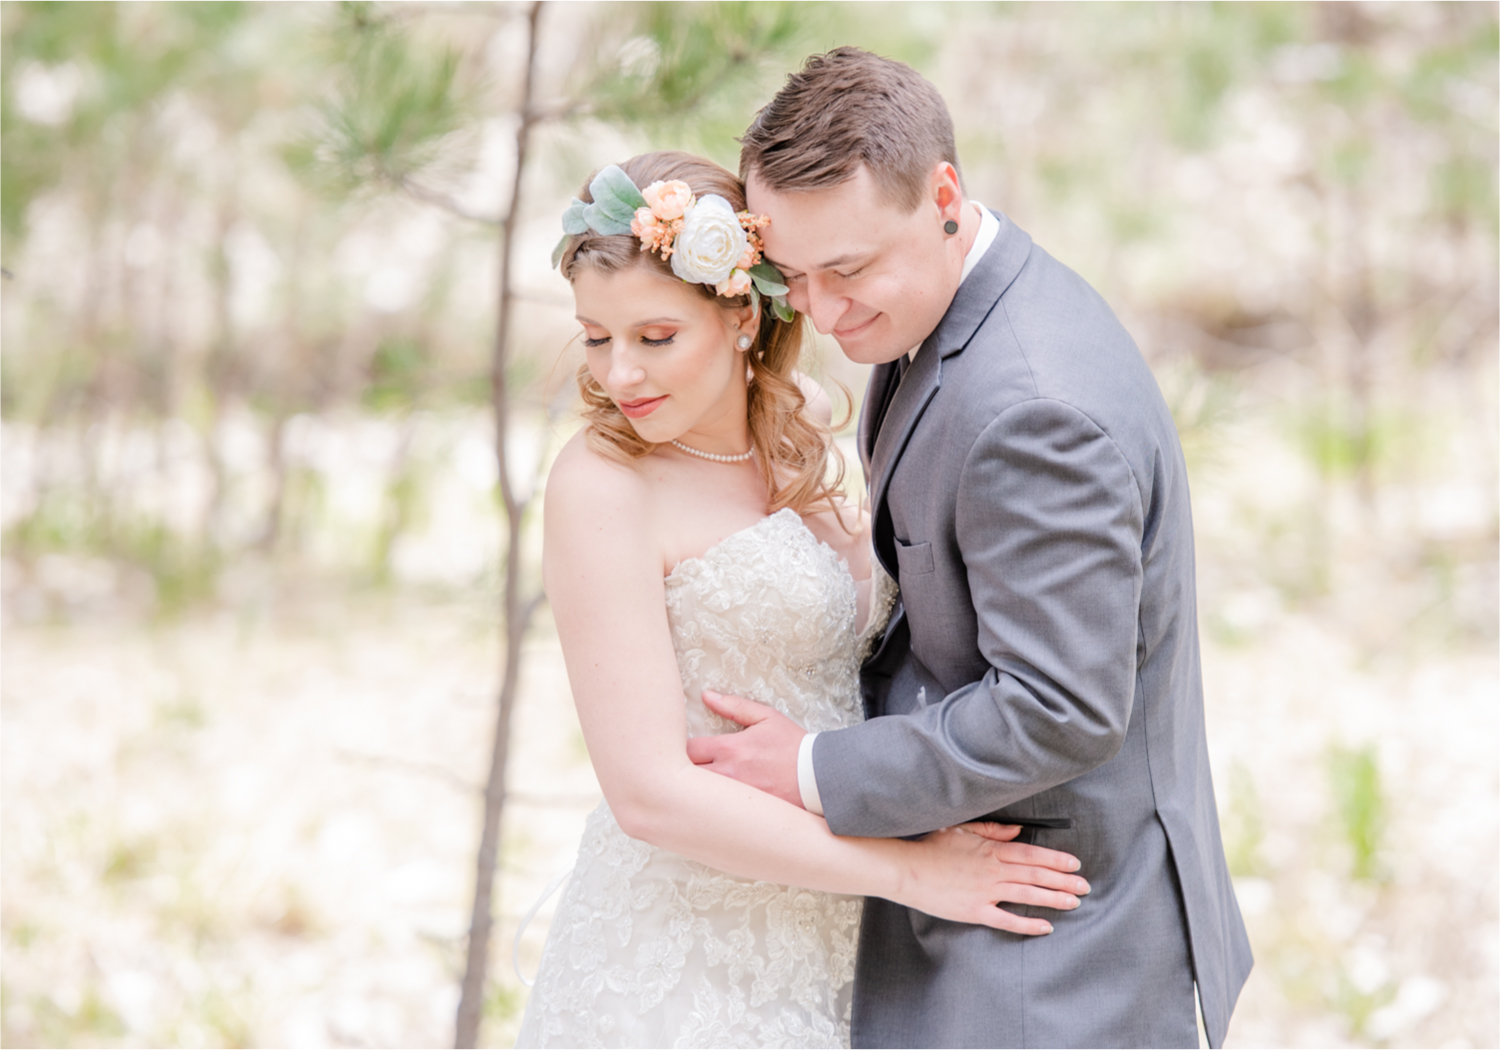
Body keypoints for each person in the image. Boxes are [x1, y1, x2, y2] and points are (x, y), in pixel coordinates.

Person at [686, 48, 1254, 1049]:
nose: (818, 310)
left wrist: (816, 768)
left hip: (1050, 947)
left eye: (849, 270)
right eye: (794, 277)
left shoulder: (1033, 409)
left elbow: (1061, 706)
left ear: (943, 193)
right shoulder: (959, 309)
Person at [514, 151, 1090, 1049]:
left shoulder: (811, 420)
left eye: (654, 338)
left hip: (844, 942)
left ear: (742, 313)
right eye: (596, 337)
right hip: (684, 950)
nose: (619, 374)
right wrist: (910, 874)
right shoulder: (601, 485)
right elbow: (650, 795)